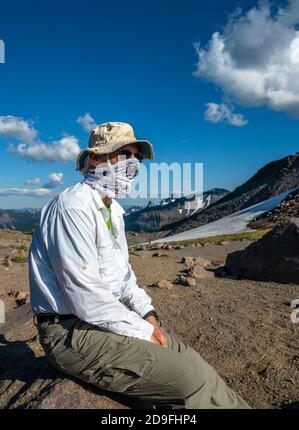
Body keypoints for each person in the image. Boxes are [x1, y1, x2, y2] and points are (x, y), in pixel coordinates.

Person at [29, 121, 250, 409]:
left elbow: (123, 277)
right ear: (95, 159)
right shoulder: (73, 207)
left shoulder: (112, 210)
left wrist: (148, 314)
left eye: (137, 157)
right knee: (191, 379)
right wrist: (145, 333)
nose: (133, 164)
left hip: (97, 321)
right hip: (70, 333)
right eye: (124, 154)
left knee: (192, 358)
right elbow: (86, 296)